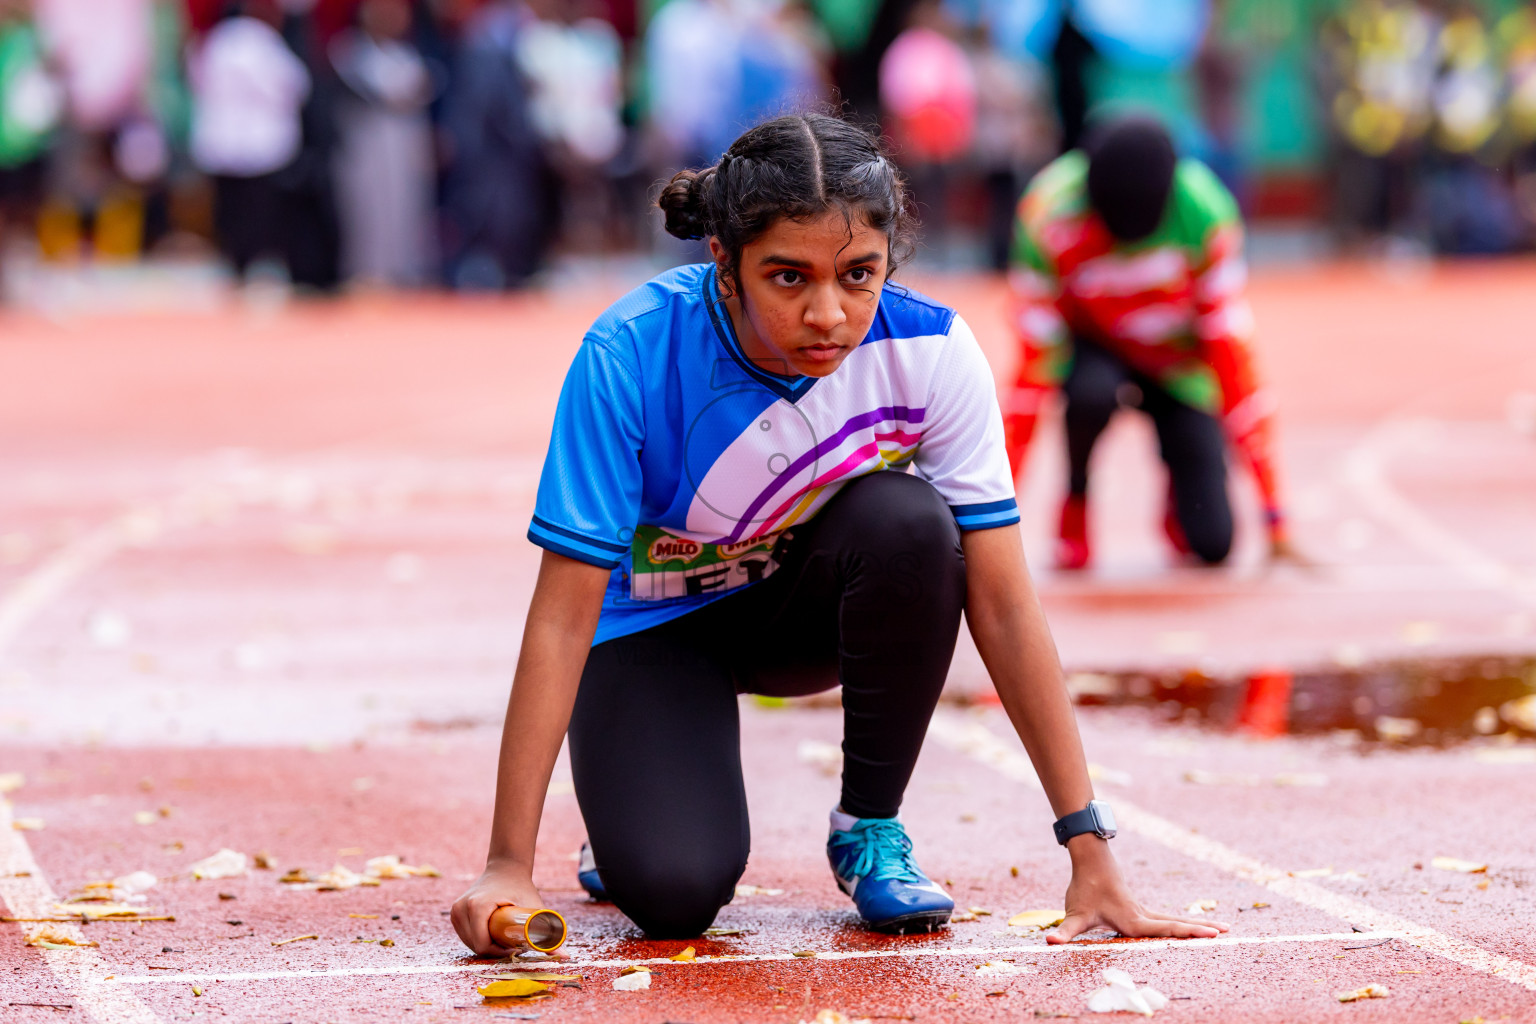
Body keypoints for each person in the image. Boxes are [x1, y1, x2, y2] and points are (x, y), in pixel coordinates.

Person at [450, 112, 1230, 948]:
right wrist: (507, 862)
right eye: (789, 278)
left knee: (914, 522)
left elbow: (1003, 603)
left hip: (794, 611)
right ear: (724, 261)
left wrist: (1089, 846)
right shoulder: (629, 352)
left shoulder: (931, 351)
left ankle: (869, 827)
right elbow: (564, 615)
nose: (830, 313)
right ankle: (628, 817)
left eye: (859, 274)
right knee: (675, 895)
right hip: (652, 625)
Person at [1002, 116, 1289, 570]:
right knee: (1089, 395)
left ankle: (1179, 496)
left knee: (1213, 546)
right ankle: (1075, 501)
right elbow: (1032, 376)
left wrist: (1275, 514)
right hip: (1092, 350)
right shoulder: (1048, 215)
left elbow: (1234, 361)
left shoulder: (1207, 214)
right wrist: (987, 522)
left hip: (1176, 358)